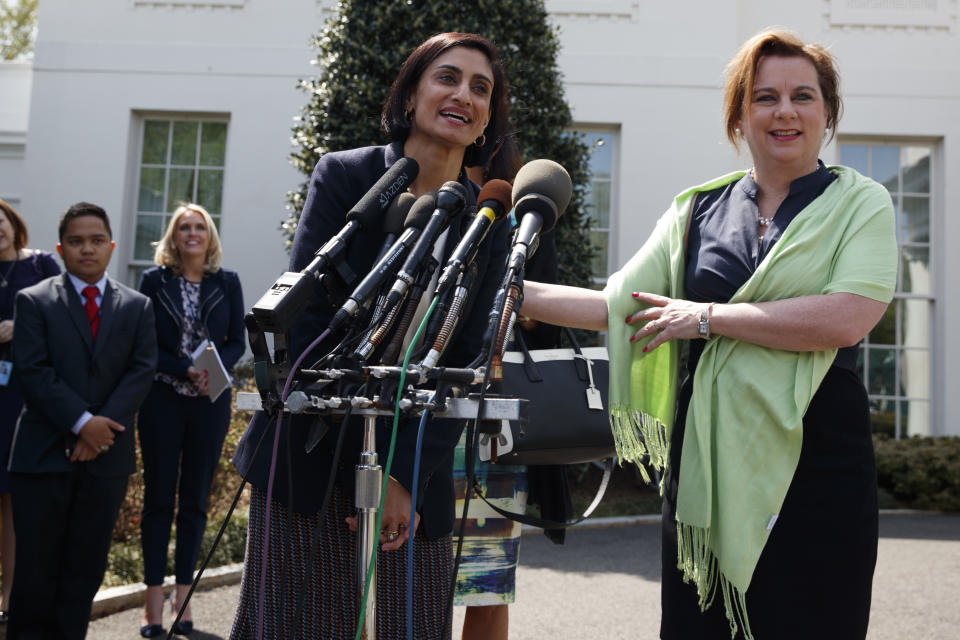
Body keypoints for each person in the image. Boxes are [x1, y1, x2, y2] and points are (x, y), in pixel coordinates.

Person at [519, 29, 897, 640]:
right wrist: (508, 294)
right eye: (764, 97)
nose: (784, 111)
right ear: (739, 117)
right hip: (708, 460)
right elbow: (620, 306)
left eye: (803, 96)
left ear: (826, 113)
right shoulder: (697, 210)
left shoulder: (863, 204)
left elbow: (847, 315)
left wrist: (705, 317)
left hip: (820, 455)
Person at [231, 32, 512, 639]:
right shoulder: (347, 176)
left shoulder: (489, 217)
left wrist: (399, 477)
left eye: (480, 88)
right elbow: (305, 319)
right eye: (448, 77)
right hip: (309, 455)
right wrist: (363, 463)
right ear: (411, 95)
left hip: (415, 480)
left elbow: (465, 359)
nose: (464, 94)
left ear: (488, 118)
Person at [6, 202, 157, 639]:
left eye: (95, 241)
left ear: (110, 247)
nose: (86, 249)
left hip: (106, 459)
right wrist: (80, 423)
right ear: (60, 249)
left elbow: (141, 370)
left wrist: (99, 428)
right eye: (76, 242)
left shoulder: (137, 306)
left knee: (84, 571)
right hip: (41, 458)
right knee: (36, 574)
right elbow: (33, 371)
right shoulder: (33, 301)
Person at [136, 203, 245, 637]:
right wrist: (184, 367)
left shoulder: (227, 282)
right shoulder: (153, 281)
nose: (193, 233)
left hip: (210, 401)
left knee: (195, 502)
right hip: (163, 398)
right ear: (174, 236)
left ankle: (183, 602)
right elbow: (143, 342)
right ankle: (152, 607)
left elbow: (238, 339)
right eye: (185, 227)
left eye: (200, 226)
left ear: (209, 235)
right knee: (158, 501)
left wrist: (214, 369)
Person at [0, 199, 61, 621]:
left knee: (15, 501)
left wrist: (18, 326)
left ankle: (13, 600)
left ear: (12, 221)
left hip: (25, 395)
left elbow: (64, 314)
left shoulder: (40, 265)